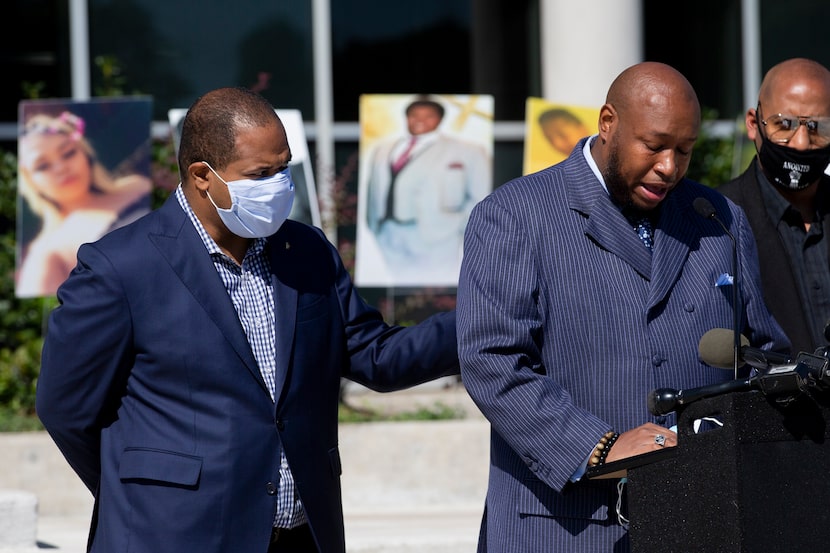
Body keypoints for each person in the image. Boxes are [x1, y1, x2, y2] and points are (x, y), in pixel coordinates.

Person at [35, 87, 459, 553]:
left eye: (284, 168)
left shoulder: (308, 252)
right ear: (202, 175)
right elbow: (66, 409)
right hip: (174, 537)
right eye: (262, 174)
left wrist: (483, 319)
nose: (280, 185)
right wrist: (141, 492)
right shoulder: (121, 268)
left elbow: (375, 356)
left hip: (302, 537)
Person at [456, 62, 789, 552]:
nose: (669, 167)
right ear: (607, 122)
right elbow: (493, 363)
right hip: (561, 527)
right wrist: (599, 447)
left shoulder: (719, 220)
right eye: (653, 146)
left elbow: (761, 353)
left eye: (685, 150)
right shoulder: (514, 216)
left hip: (697, 523)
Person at [717, 58, 830, 356]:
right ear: (754, 124)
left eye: (818, 128)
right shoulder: (717, 220)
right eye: (784, 125)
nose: (801, 143)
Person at [16, 111, 152, 297]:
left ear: (85, 153)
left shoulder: (136, 186)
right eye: (42, 166)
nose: (61, 168)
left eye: (68, 153)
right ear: (30, 180)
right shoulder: (47, 253)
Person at [363, 96, 491, 285]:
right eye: (414, 115)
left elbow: (480, 197)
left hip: (437, 235)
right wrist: (375, 224)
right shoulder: (382, 149)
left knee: (434, 294)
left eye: (429, 116)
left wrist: (456, 225)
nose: (420, 120)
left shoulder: (468, 151)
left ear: (440, 120)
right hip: (387, 231)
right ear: (406, 118)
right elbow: (372, 188)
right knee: (393, 291)